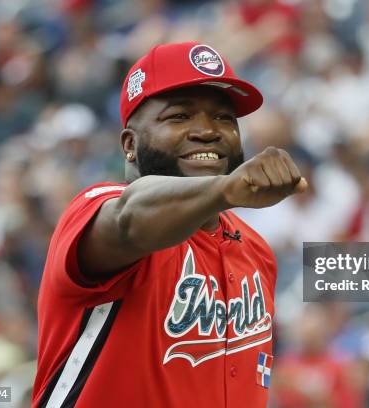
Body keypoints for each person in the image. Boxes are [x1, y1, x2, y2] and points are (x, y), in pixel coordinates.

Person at [32, 42, 307, 408]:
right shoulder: (97, 208)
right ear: (130, 144)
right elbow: (129, 221)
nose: (207, 131)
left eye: (224, 118)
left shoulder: (256, 250)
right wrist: (226, 189)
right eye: (180, 116)